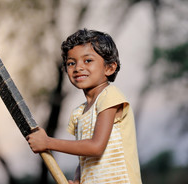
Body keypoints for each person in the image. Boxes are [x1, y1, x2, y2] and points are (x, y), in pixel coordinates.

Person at [26, 29, 142, 184]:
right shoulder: (79, 113)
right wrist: (78, 179)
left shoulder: (109, 97)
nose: (78, 67)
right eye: (71, 63)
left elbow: (95, 147)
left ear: (109, 68)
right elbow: (85, 156)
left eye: (87, 60)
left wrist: (48, 142)